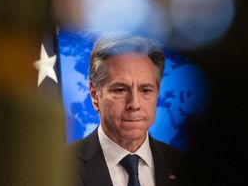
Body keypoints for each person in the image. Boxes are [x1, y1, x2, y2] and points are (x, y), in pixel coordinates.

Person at [66, 34, 190, 186]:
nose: (134, 104)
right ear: (94, 95)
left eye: (145, 90)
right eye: (120, 90)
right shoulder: (58, 167)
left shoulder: (188, 168)